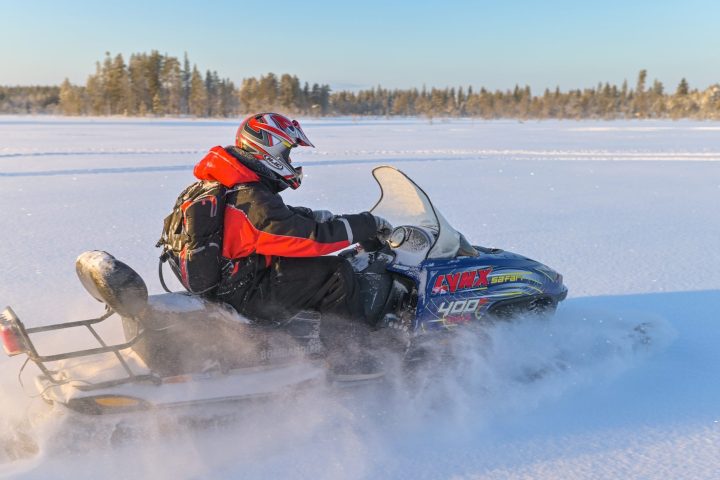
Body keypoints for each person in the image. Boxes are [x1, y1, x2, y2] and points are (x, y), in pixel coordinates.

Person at [191, 112, 392, 377]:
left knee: (312, 266)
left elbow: (273, 222)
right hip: (245, 291)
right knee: (336, 274)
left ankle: (315, 343)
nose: (290, 160)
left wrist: (314, 216)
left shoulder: (230, 185)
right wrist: (367, 224)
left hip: (236, 276)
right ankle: (351, 360)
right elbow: (309, 239)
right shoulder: (249, 197)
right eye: (287, 152)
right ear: (268, 149)